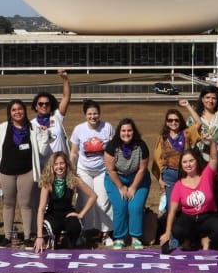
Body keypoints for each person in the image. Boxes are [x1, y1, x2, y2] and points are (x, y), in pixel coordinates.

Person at [0, 99, 40, 245]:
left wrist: (45, 137)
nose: (17, 112)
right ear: (10, 113)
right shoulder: (3, 127)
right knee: (8, 204)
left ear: (25, 111)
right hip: (6, 173)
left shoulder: (33, 128)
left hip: (26, 172)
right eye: (14, 110)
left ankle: (28, 236)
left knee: (26, 204)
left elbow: (41, 150)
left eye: (20, 109)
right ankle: (8, 236)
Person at [158, 148, 218, 252]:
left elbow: (214, 159)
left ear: (197, 161)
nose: (188, 165)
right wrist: (167, 233)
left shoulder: (206, 175)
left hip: (208, 217)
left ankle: (207, 239)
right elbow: (172, 211)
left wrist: (212, 141)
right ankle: (190, 240)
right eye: (184, 162)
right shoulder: (178, 184)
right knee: (177, 230)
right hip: (188, 218)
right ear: (181, 165)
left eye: (191, 161)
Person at [68, 99, 115, 242]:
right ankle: (84, 230)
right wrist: (72, 169)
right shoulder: (79, 129)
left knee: (103, 200)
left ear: (99, 114)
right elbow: (74, 152)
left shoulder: (107, 127)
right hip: (84, 170)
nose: (93, 116)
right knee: (85, 200)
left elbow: (113, 149)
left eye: (95, 113)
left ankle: (105, 233)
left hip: (102, 170)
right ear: (85, 115)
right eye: (89, 114)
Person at [102, 118, 152, 248]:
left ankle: (135, 236)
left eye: (129, 130)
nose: (126, 133)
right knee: (121, 206)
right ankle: (120, 237)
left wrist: (134, 187)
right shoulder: (112, 146)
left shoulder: (141, 146)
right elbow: (111, 170)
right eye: (123, 130)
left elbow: (142, 169)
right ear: (119, 132)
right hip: (116, 179)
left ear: (133, 131)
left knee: (135, 207)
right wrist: (121, 187)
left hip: (138, 179)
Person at [33, 150, 97, 253]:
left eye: (62, 163)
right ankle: (53, 238)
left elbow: (93, 196)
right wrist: (39, 236)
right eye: (56, 164)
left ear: (66, 164)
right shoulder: (48, 182)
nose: (59, 167)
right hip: (52, 215)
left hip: (68, 213)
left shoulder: (73, 179)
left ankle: (71, 240)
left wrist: (81, 214)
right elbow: (41, 209)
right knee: (54, 229)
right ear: (52, 166)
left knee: (74, 227)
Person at [30, 69, 73, 171]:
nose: (44, 106)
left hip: (61, 166)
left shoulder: (57, 117)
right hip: (43, 167)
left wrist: (65, 79)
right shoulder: (31, 124)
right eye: (40, 104)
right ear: (36, 106)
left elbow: (66, 97)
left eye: (47, 104)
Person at [155, 108, 191, 216]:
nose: (173, 122)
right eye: (170, 120)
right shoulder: (162, 138)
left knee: (186, 204)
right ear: (166, 122)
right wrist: (160, 180)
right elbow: (158, 160)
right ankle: (171, 232)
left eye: (176, 120)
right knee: (171, 207)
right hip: (169, 176)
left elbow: (198, 124)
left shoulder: (186, 134)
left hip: (185, 174)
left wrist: (188, 106)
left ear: (181, 121)